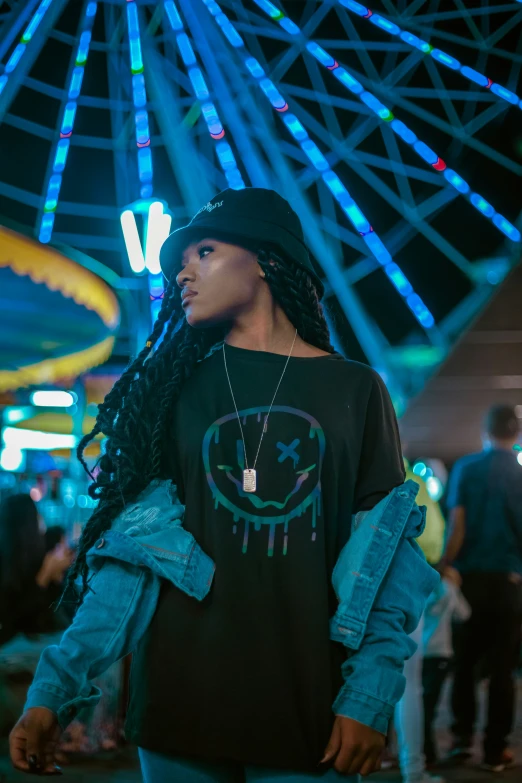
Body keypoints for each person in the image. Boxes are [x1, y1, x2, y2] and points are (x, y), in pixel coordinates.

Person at [9, 188, 435, 781]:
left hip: (308, 709)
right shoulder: (168, 394)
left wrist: (370, 692)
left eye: (202, 252)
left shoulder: (357, 391)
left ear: (264, 259)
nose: (182, 273)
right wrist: (52, 691)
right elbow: (129, 564)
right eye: (180, 262)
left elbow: (388, 560)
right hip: (179, 709)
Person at [445, 404, 522, 772]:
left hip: (469, 581)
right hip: (509, 583)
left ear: (485, 430)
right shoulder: (521, 476)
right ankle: (495, 750)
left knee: (464, 664)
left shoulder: (467, 468)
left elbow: (456, 525)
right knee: (504, 670)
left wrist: (445, 566)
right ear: (517, 434)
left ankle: (461, 741)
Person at [392, 462, 447, 783]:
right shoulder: (412, 481)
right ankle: (412, 769)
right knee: (409, 683)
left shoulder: (347, 473)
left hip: (350, 587)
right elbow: (433, 539)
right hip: (407, 586)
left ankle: (361, 758)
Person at [0, 495, 74, 646]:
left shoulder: (38, 555)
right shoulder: (13, 564)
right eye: (37, 515)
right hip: (15, 644)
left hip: (33, 639)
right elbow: (15, 619)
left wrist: (57, 576)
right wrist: (45, 575)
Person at [422, 567, 470, 766]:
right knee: (428, 707)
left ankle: (422, 753)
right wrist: (456, 588)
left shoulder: (415, 585)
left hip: (417, 654)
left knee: (419, 706)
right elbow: (464, 614)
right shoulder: (448, 587)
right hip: (440, 653)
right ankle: (427, 755)